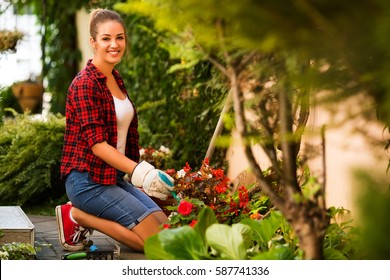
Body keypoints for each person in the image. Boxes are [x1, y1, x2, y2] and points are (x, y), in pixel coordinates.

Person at [55, 8, 174, 253]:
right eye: (106, 38)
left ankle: (93, 217)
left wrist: (134, 171)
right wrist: (142, 172)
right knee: (159, 246)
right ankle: (78, 215)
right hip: (87, 182)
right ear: (93, 42)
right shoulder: (84, 85)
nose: (114, 44)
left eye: (119, 37)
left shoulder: (116, 79)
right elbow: (97, 145)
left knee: (167, 231)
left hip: (113, 179)